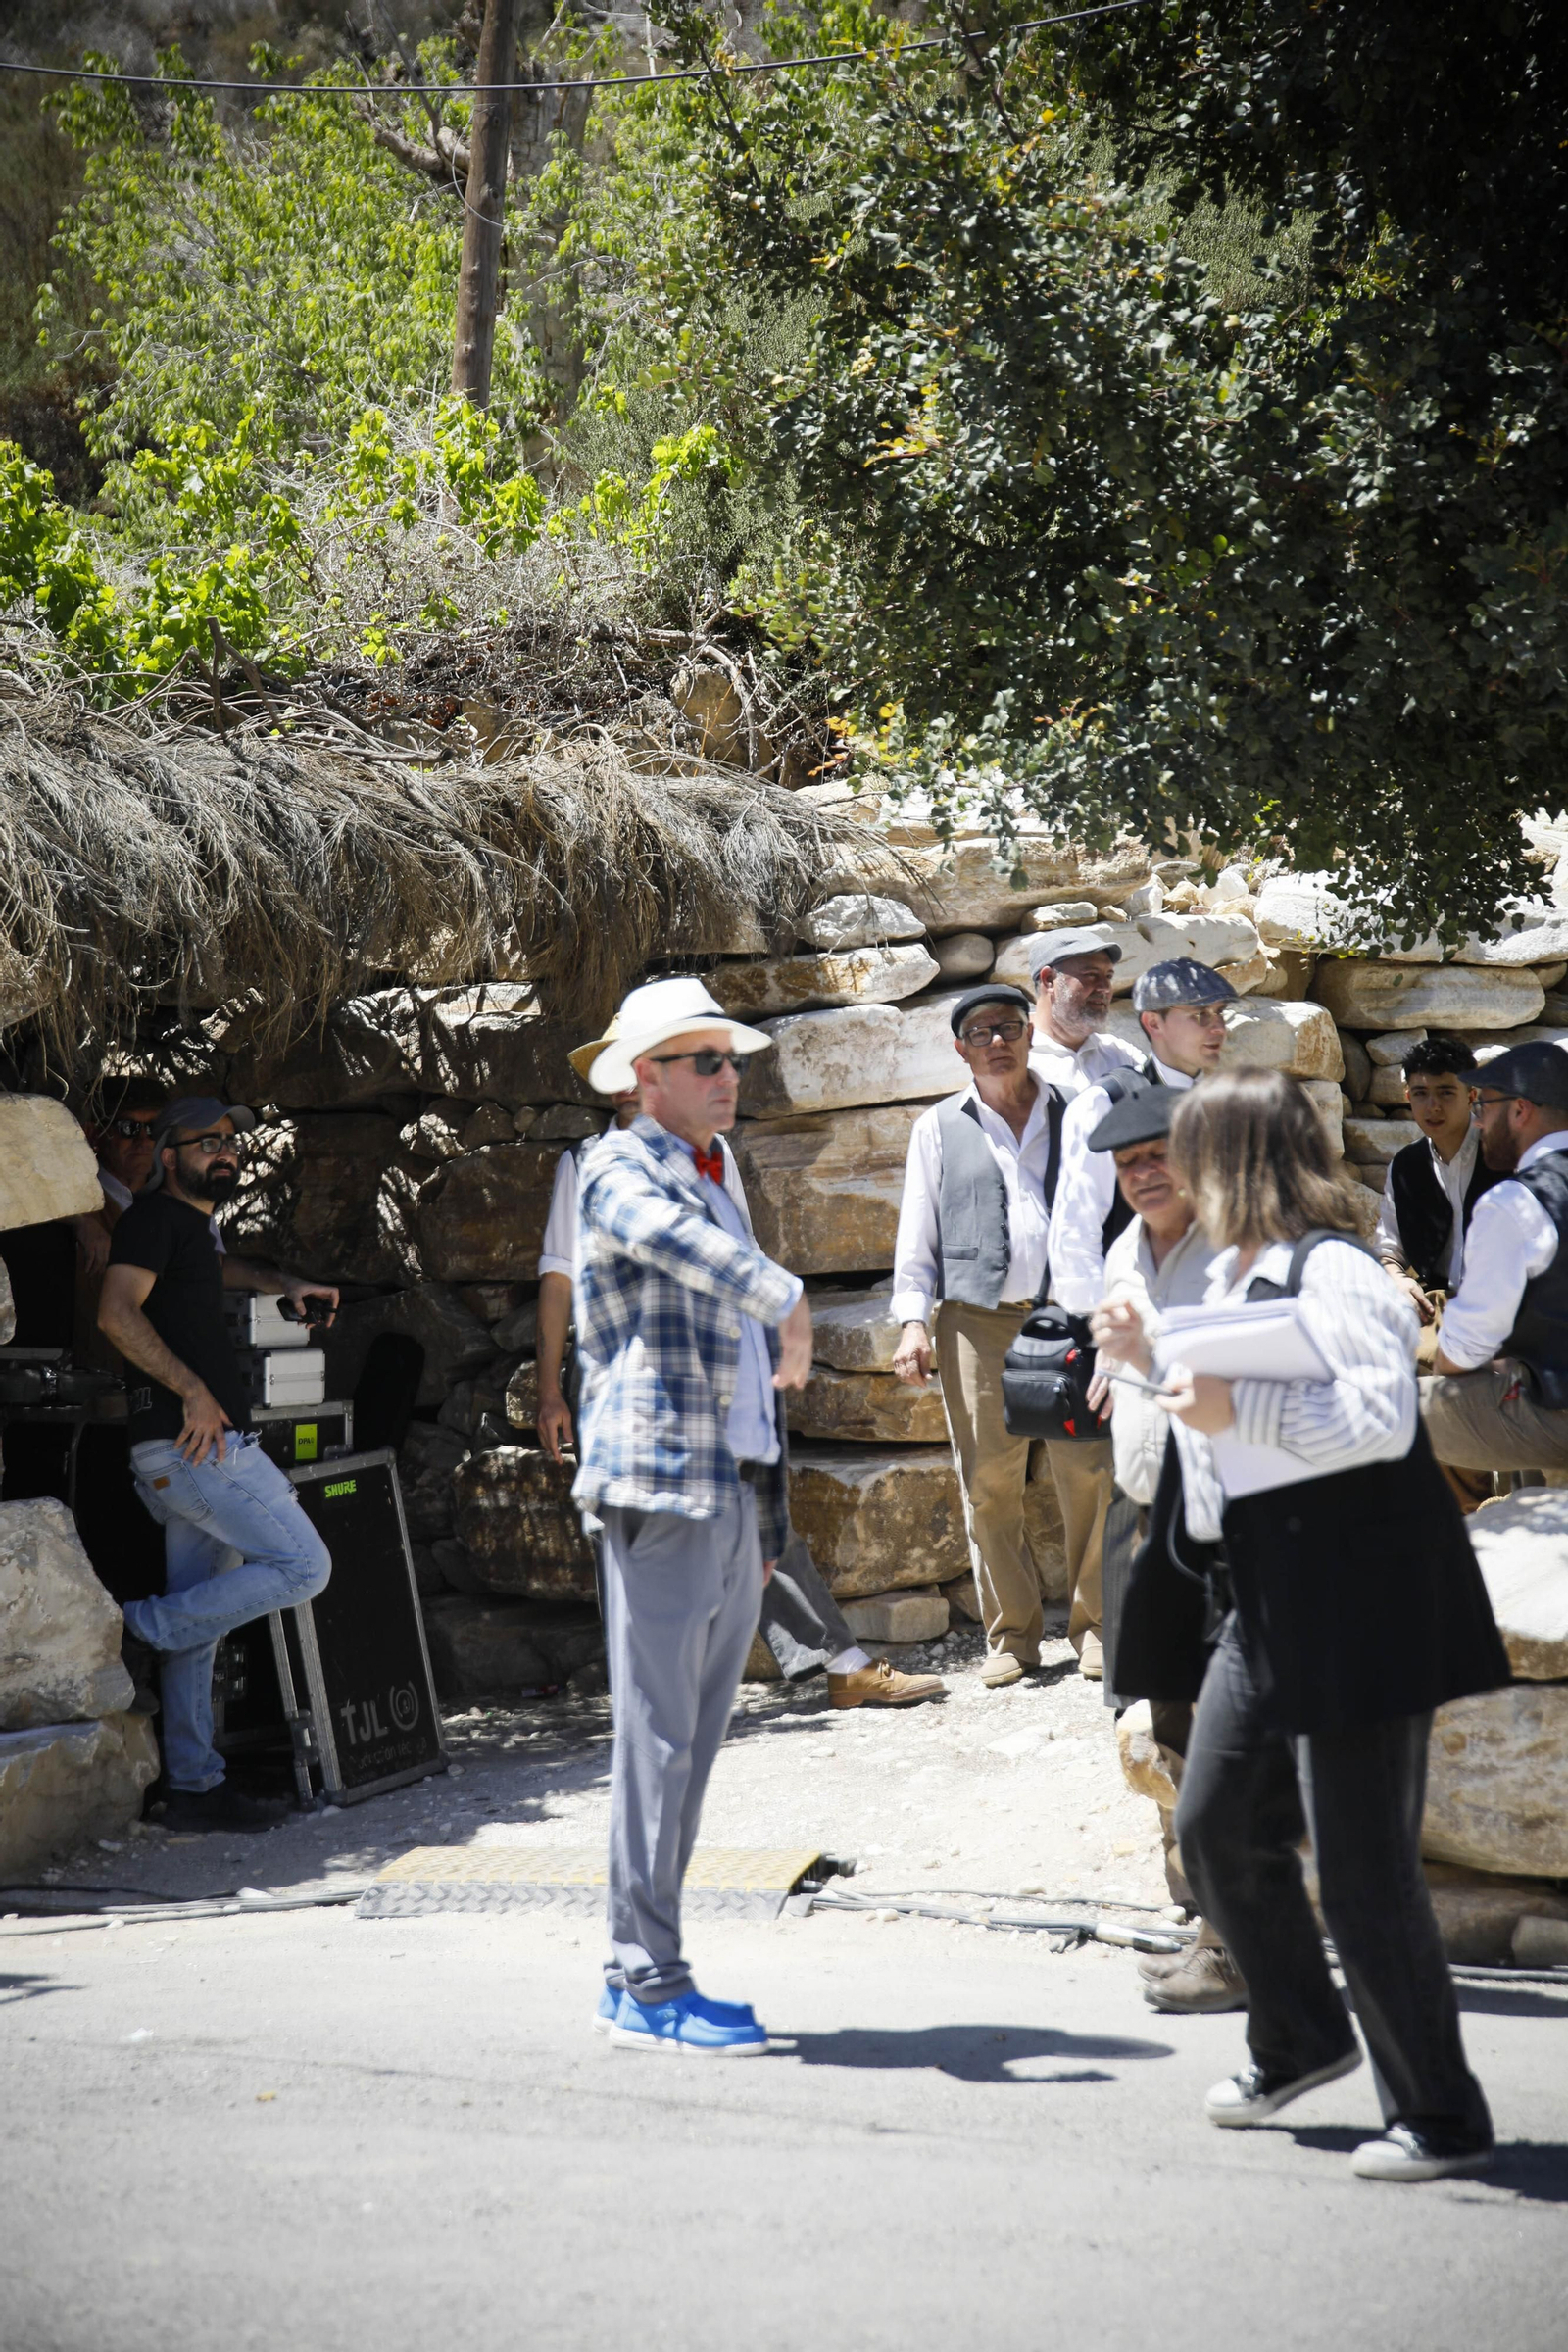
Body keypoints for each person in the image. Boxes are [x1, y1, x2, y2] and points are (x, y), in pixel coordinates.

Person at [1112, 1069, 1506, 2183]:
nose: (1170, 1170)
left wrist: (1229, 1407)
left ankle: (1439, 2113)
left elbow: (1378, 1421)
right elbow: (1220, 1438)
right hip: (1264, 1596)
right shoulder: (1226, 1274)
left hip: (1358, 1602)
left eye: (1190, 1149)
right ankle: (1297, 2038)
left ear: (1234, 1159)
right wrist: (1149, 1361)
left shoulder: (1334, 1269)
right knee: (1215, 1826)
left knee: (1364, 1868)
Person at [538, 1022, 943, 1712]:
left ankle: (841, 1663)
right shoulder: (586, 1164)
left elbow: (743, 1253)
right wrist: (550, 1388)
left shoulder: (713, 1152)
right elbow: (559, 1280)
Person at [572, 976, 814, 2055]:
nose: (729, 1077)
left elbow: (751, 1379)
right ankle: (646, 1980)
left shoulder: (718, 1173)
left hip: (724, 1492)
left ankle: (639, 1974)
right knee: (658, 1743)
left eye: (731, 1059)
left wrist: (767, 1520)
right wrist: (785, 1292)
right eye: (704, 1060)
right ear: (646, 1077)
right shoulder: (617, 1168)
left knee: (691, 1747)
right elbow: (679, 1250)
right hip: (663, 1487)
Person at [98, 1098, 342, 1832]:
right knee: (305, 1566)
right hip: (195, 1445)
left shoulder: (188, 1231)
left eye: (231, 1142)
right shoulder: (151, 1219)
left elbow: (217, 1268)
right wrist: (193, 1390)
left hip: (187, 1453)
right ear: (169, 1157)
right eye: (207, 1143)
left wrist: (285, 1285)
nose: (226, 1152)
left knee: (202, 1622)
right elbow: (114, 1313)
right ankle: (138, 1629)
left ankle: (195, 1787)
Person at [1083, 1083, 1241, 2016]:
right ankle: (1215, 1927)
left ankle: (1236, 1947)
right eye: (1127, 1163)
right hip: (1156, 1519)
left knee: (1230, 1742)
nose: (1143, 1175)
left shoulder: (1235, 1252)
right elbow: (1122, 1353)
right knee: (1176, 1728)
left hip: (1230, 1527)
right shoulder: (1126, 1252)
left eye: (1158, 1157)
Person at [891, 983, 1089, 1684]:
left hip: (1072, 1314)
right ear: (961, 1050)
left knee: (1088, 1472)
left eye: (1008, 1027)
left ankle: (1097, 1628)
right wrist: (912, 1322)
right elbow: (917, 1234)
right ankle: (1012, 1637)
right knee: (989, 1481)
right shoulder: (938, 1127)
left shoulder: (1078, 1111)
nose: (997, 1041)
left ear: (1031, 1033)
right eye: (980, 1033)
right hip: (977, 1320)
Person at [1047, 956, 1235, 1316]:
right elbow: (1076, 1234)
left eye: (1220, 1014)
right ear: (1153, 1023)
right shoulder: (1106, 1103)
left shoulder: (1220, 1104)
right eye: (1200, 1016)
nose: (1218, 1029)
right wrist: (1108, 1323)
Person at [1422, 1040, 1568, 1478]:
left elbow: (1466, 1346)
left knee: (1371, 1411)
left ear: (1520, 1110)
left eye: (1483, 1106)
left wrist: (1447, 1367)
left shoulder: (1515, 1202)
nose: (1478, 1121)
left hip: (1557, 1420)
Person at [1374, 1036, 1501, 1358]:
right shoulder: (1406, 1166)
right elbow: (1388, 1251)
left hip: (1503, 1312)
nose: (1432, 1106)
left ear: (1471, 1095)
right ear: (1408, 1097)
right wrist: (1398, 1281)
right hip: (1437, 1309)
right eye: (1421, 1093)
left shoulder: (1506, 1156)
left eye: (1446, 1092)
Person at [1026, 927, 1148, 1098]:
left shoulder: (1121, 1055)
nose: (1105, 988)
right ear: (1049, 980)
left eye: (1109, 976)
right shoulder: (1016, 1057)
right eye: (1091, 975)